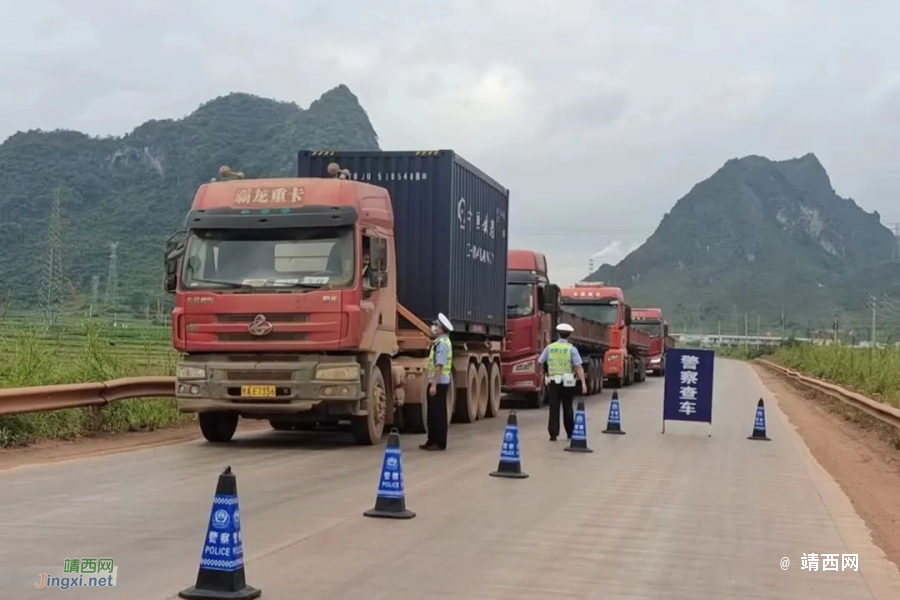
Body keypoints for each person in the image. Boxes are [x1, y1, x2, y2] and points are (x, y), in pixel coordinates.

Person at [538, 323, 588, 441]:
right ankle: (570, 433)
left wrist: (545, 373)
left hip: (553, 382)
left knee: (553, 408)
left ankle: (553, 434)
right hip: (568, 383)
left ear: (558, 334)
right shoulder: (572, 349)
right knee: (568, 407)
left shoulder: (550, 348)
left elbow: (540, 362)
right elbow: (578, 367)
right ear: (569, 335)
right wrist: (584, 383)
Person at [420, 313, 453, 451]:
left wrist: (433, 385)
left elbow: (439, 365)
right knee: (434, 413)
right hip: (439, 381)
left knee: (437, 413)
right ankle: (432, 440)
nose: (433, 327)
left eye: (436, 325)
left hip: (439, 383)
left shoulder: (442, 344)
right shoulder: (442, 342)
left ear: (441, 329)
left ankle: (438, 442)